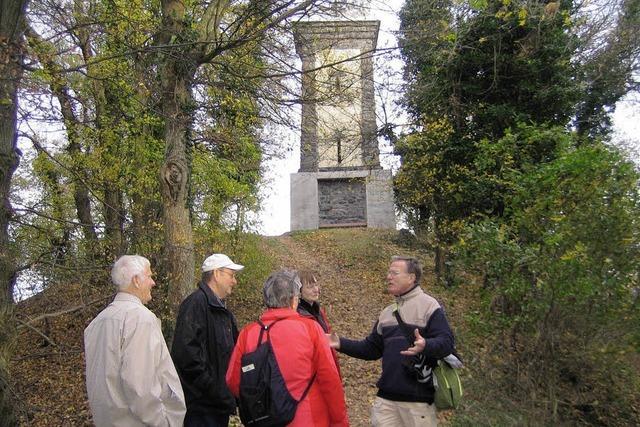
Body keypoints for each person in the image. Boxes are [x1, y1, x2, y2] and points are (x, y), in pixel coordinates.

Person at [328, 256, 455, 427]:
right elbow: (371, 349)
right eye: (388, 272)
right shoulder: (387, 313)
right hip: (386, 401)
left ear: (412, 277)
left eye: (394, 273)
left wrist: (426, 345)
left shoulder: (429, 306)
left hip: (418, 404)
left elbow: (447, 343)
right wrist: (340, 344)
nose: (388, 277)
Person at [226, 269, 349, 427]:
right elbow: (330, 381)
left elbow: (233, 381)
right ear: (294, 300)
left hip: (264, 419)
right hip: (309, 418)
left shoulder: (248, 333)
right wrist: (340, 421)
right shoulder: (311, 329)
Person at [84, 255, 186, 427]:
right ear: (136, 280)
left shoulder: (96, 323)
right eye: (149, 276)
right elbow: (140, 386)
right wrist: (164, 421)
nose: (153, 282)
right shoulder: (140, 318)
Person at [171, 253, 244, 427]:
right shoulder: (195, 304)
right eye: (231, 275)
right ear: (217, 274)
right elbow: (187, 357)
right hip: (201, 409)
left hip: (218, 406)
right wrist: (215, 391)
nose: (234, 281)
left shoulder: (222, 311)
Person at [297, 270, 341, 374]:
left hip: (327, 363)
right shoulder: (299, 317)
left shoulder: (318, 311)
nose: (316, 290)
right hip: (313, 370)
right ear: (299, 292)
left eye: (316, 285)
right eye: (310, 287)